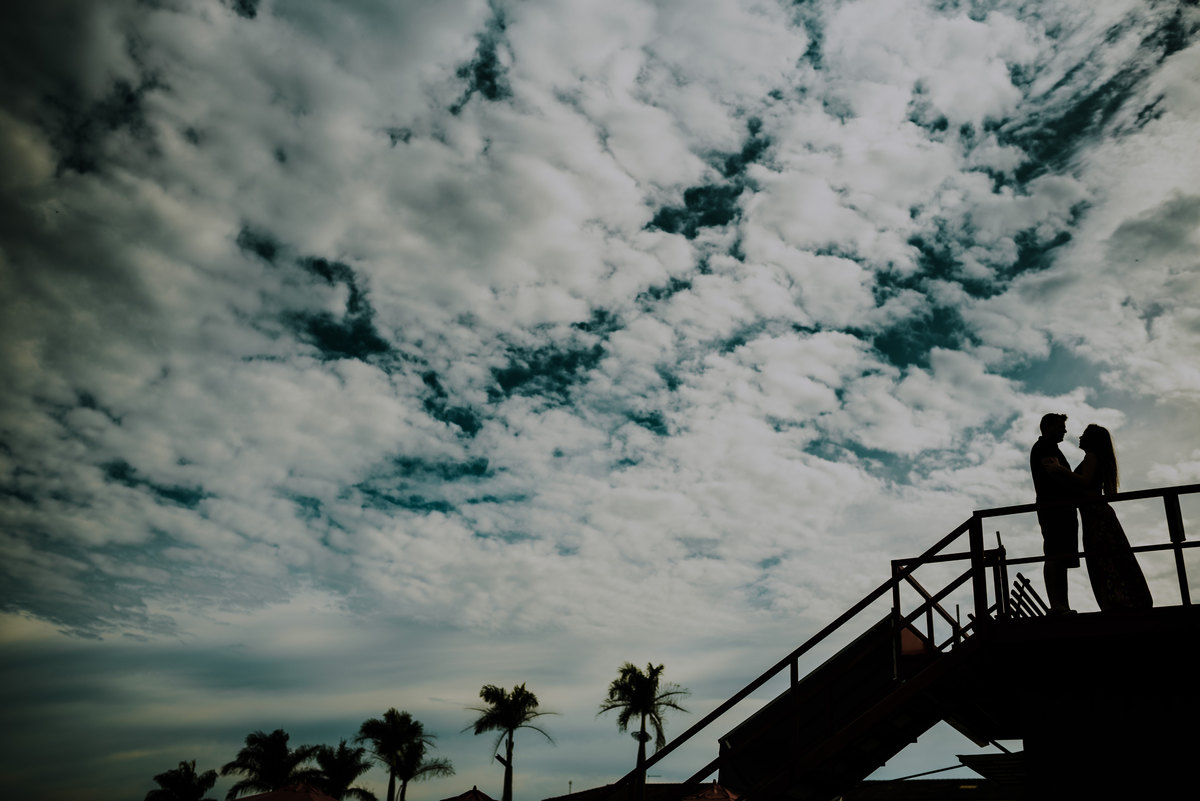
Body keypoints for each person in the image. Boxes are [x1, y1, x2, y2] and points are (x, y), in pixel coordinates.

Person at [1068, 424, 1152, 611]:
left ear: (1092, 439)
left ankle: (1118, 601)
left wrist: (1059, 470)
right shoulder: (1095, 457)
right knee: (1111, 558)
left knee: (1104, 559)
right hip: (1096, 515)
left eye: (1084, 434)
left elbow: (1084, 481)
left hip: (1095, 517)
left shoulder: (1090, 457)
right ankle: (1122, 599)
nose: (1079, 437)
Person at [1030, 413, 1079, 613]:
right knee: (1054, 554)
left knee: (1061, 556)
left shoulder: (1051, 448)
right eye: (1060, 426)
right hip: (1054, 508)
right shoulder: (1044, 448)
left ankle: (1062, 604)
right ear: (1048, 427)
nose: (1064, 430)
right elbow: (1056, 474)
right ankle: (1057, 605)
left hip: (1061, 508)